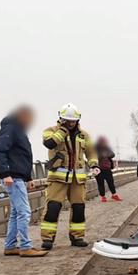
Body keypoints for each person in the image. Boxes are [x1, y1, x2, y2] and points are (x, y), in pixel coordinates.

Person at [40, 103, 100, 250]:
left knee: (79, 208)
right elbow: (49, 143)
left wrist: (94, 165)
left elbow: (91, 151)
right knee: (53, 207)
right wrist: (63, 131)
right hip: (57, 178)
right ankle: (47, 239)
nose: (71, 123)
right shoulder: (50, 131)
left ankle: (77, 237)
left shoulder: (83, 135)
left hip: (77, 179)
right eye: (68, 120)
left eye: (73, 121)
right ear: (61, 119)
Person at [0, 105, 48, 257]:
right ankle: (25, 247)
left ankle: (10, 246)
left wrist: (28, 177)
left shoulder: (19, 130)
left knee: (16, 213)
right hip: (13, 178)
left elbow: (22, 156)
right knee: (24, 212)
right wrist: (5, 173)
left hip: (18, 177)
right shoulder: (11, 128)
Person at [95, 136, 121, 202]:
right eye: (102, 142)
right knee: (100, 184)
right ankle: (103, 197)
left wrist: (106, 153)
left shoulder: (107, 148)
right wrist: (102, 154)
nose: (104, 143)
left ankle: (114, 195)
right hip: (99, 169)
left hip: (107, 169)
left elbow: (113, 155)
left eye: (104, 142)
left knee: (111, 182)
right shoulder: (96, 148)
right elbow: (94, 156)